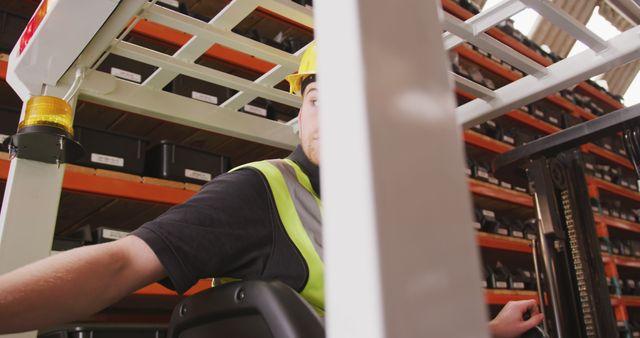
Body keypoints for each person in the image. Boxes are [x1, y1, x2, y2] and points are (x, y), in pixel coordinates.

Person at [0, 42, 543, 337]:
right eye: (316, 100)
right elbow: (120, 263)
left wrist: (489, 332)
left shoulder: (392, 219)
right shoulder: (262, 190)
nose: (329, 118)